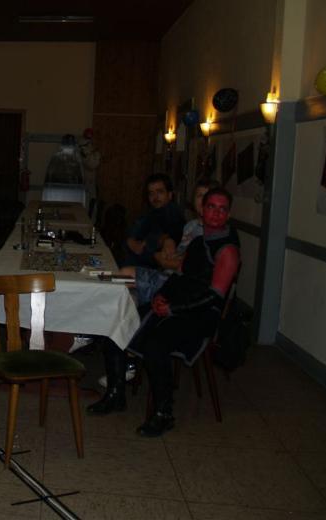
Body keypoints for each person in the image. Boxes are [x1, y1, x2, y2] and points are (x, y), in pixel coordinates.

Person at [89, 188, 239, 437]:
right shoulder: (198, 242)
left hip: (200, 316)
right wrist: (162, 296)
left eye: (222, 209)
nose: (215, 213)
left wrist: (173, 308)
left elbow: (214, 297)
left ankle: (163, 413)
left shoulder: (228, 251)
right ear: (202, 210)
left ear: (228, 214)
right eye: (211, 207)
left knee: (155, 344)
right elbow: (178, 277)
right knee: (118, 323)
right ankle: (116, 394)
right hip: (176, 304)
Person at [122, 173, 185, 268]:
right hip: (135, 264)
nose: (155, 197)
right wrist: (130, 241)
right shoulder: (151, 213)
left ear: (170, 195)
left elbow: (175, 232)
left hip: (151, 269)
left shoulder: (172, 212)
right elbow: (132, 233)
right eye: (151, 193)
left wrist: (149, 243)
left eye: (160, 192)